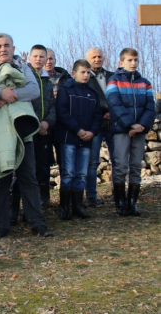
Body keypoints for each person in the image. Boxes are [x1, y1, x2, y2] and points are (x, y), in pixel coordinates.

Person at [0, 33, 53, 238]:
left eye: (7, 46)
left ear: (14, 48)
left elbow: (33, 89)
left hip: (22, 131)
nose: (3, 49)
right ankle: (1, 226)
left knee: (28, 178)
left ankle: (37, 224)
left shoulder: (24, 68)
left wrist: (13, 96)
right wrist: (1, 92)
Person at [106, 48, 155, 216]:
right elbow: (115, 105)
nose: (133, 63)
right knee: (120, 166)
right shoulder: (114, 81)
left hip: (140, 131)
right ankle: (120, 203)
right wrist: (130, 125)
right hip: (121, 130)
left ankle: (132, 203)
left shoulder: (145, 83)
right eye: (129, 60)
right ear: (121, 62)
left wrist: (141, 125)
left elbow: (150, 106)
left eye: (135, 60)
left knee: (135, 165)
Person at [11, 45, 56, 224]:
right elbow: (24, 103)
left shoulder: (47, 81)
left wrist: (47, 122)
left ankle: (33, 211)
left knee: (39, 171)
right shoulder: (24, 77)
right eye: (35, 56)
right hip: (28, 129)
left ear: (46, 59)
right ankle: (14, 210)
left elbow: (52, 105)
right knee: (22, 172)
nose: (38, 59)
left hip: (44, 131)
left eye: (42, 56)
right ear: (29, 58)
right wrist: (36, 123)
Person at [55, 60, 102, 220]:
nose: (86, 75)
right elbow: (62, 113)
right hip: (69, 138)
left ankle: (77, 208)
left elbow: (98, 115)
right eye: (83, 72)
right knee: (68, 173)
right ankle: (64, 209)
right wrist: (78, 130)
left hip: (87, 140)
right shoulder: (65, 90)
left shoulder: (93, 92)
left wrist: (92, 132)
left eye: (88, 72)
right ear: (74, 73)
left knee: (81, 174)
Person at [84, 47, 115, 207]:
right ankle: (91, 196)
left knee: (116, 160)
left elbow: (119, 96)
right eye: (94, 57)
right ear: (88, 59)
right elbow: (89, 100)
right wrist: (106, 109)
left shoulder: (112, 76)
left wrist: (113, 111)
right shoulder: (85, 77)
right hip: (95, 124)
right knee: (92, 161)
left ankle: (117, 193)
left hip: (113, 124)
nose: (97, 59)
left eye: (100, 56)